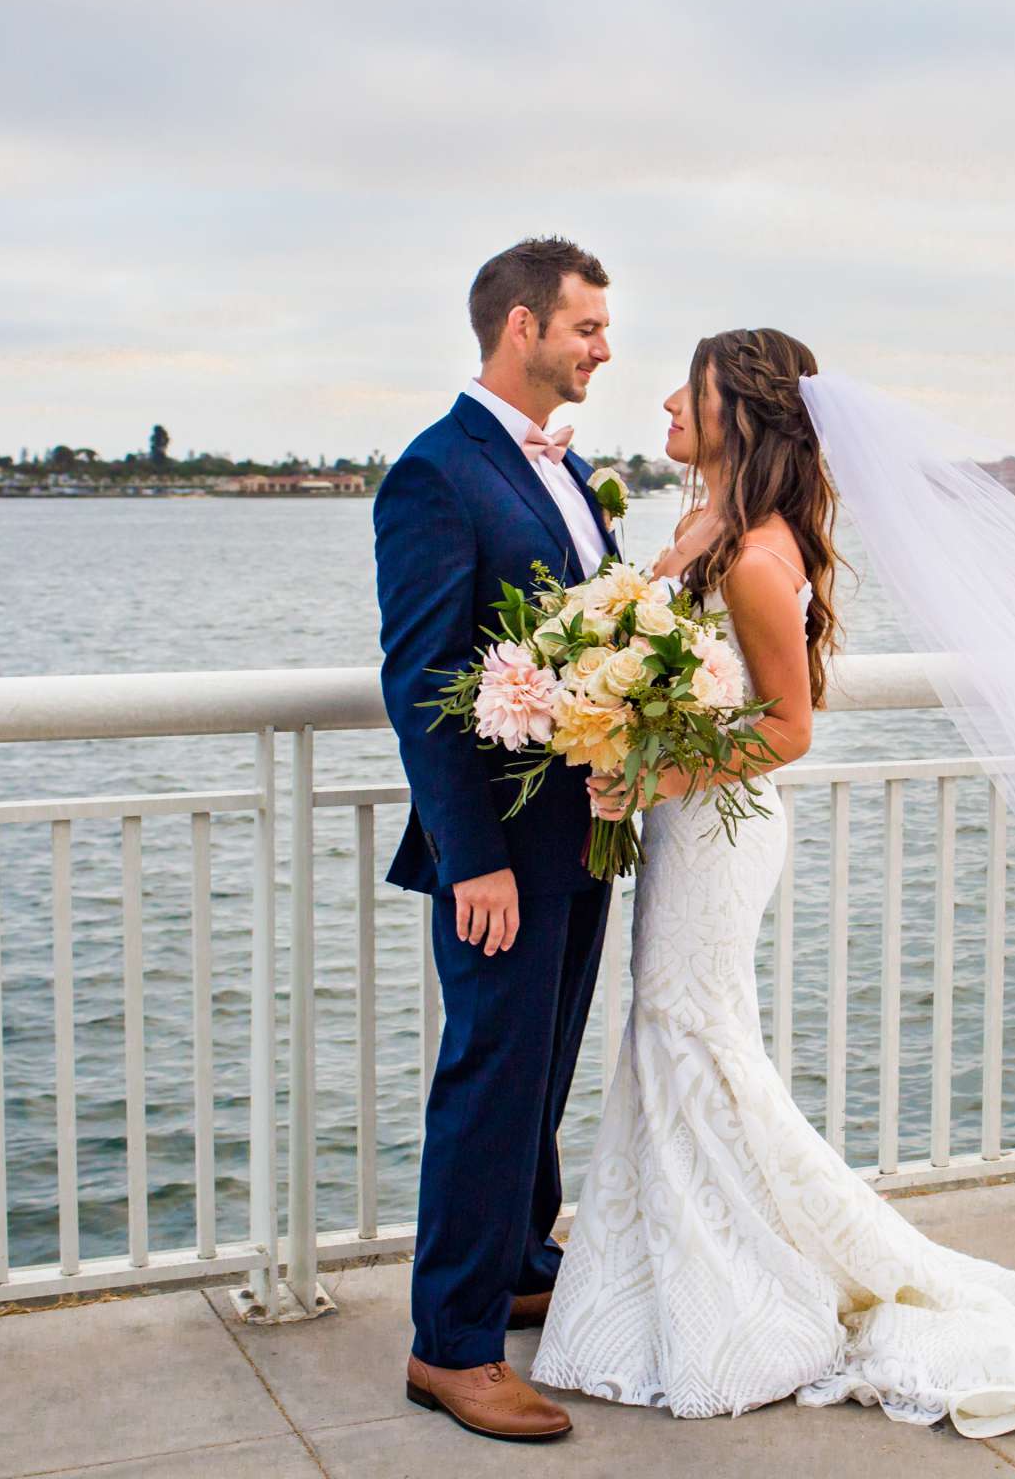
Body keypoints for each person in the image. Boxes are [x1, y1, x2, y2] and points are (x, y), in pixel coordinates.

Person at [529, 328, 1015, 1439]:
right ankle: (662, 1264)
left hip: (720, 829)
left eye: (699, 385)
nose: (672, 395)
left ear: (746, 414)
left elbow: (789, 727)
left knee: (692, 1031)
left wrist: (650, 766)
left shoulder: (762, 557)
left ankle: (745, 1288)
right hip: (679, 822)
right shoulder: (698, 526)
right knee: (667, 1033)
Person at [373, 236, 619, 1443]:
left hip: (583, 833)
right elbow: (422, 675)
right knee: (488, 1074)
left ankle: (522, 1259)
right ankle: (452, 1345)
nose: (603, 349)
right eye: (586, 328)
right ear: (522, 328)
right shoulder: (437, 473)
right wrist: (469, 857)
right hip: (501, 850)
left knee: (545, 1060)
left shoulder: (570, 471)